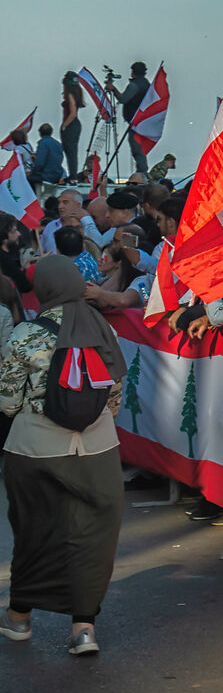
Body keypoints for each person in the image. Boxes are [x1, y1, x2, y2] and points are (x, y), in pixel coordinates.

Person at [1, 254, 129, 656]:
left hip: (35, 449)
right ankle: (84, 629)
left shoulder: (24, 335)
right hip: (98, 451)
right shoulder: (103, 329)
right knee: (92, 537)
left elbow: (6, 402)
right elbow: (113, 400)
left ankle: (19, 617)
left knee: (35, 532)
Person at [58, 72, 85, 177]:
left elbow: (73, 113)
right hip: (73, 124)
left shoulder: (70, 95)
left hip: (71, 124)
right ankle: (72, 175)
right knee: (71, 151)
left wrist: (64, 125)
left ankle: (73, 176)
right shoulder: (76, 93)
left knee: (71, 151)